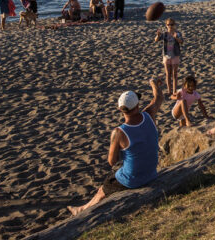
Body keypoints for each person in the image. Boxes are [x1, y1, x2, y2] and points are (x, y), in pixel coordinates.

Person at [68, 77, 164, 216]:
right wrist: (153, 83)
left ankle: (82, 210)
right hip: (151, 172)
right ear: (137, 106)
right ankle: (83, 208)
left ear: (120, 109)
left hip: (135, 180)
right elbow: (158, 97)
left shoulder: (119, 132)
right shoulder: (149, 114)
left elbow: (112, 161)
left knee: (103, 188)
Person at [154, 18, 184, 97]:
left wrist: (176, 38)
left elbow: (181, 42)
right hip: (166, 55)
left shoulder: (177, 33)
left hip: (175, 55)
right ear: (166, 25)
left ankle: (174, 90)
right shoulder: (165, 34)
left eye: (171, 24)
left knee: (174, 74)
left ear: (174, 25)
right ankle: (169, 91)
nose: (170, 26)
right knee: (168, 74)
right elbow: (156, 40)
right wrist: (158, 35)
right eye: (168, 24)